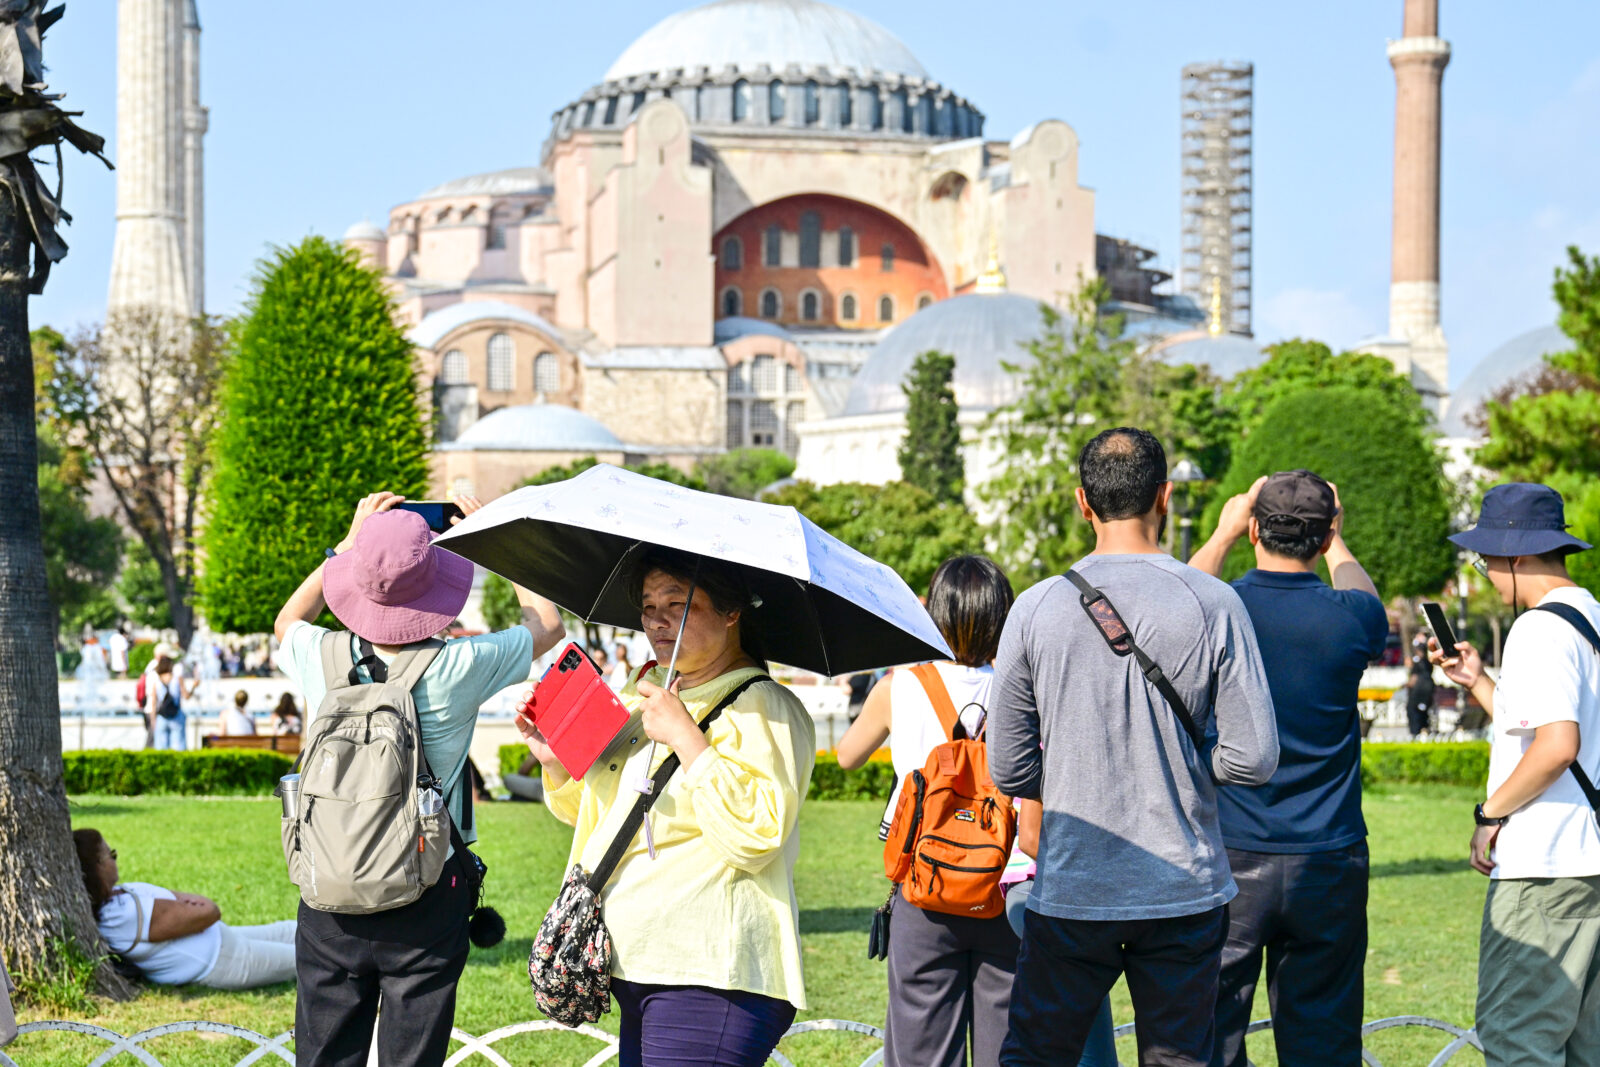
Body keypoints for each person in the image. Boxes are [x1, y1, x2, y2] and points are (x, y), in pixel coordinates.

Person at [988, 427, 1279, 1067]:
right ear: (1165, 498)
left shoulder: (1035, 608)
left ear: (1082, 503)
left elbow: (1007, 764)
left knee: (1038, 1055)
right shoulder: (1214, 602)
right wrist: (1196, 769)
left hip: (1073, 882)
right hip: (1185, 883)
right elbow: (1255, 756)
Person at [274, 491, 565, 1067]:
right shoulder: (458, 665)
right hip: (426, 883)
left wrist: (350, 545)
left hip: (328, 882)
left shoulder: (319, 655)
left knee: (324, 1055)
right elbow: (548, 624)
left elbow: (288, 620)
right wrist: (495, 539)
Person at [521, 547, 815, 1067]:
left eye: (678, 605)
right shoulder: (648, 698)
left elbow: (756, 835)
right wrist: (555, 761)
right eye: (649, 605)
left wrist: (688, 739)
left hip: (711, 971)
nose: (657, 621)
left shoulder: (765, 706)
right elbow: (596, 815)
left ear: (732, 612)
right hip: (638, 964)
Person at [1189, 470, 1388, 1067]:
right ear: (1325, 535)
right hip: (1328, 858)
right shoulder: (1352, 617)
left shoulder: (1221, 607)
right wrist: (1340, 540)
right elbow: (1367, 599)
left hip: (1230, 850)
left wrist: (1222, 535)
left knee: (1210, 1032)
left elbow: (1171, 596)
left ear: (1254, 528)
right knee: (1324, 1039)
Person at [835, 555, 1068, 1067]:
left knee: (921, 1052)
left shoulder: (900, 686)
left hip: (925, 887)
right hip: (1005, 889)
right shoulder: (1025, 688)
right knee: (1005, 1050)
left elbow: (848, 756)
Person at [1427, 483, 1600, 1067]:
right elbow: (1546, 732)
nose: (1487, 573)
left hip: (1547, 866)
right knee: (1585, 1045)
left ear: (1518, 556)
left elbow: (1555, 746)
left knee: (1518, 1040)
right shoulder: (1592, 619)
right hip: (1592, 861)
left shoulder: (1538, 628)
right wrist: (1477, 681)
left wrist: (1489, 814)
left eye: (1486, 559)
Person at [73, 828, 297, 989]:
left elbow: (187, 906)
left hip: (222, 938)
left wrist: (183, 904)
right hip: (222, 961)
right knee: (304, 959)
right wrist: (186, 905)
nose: (115, 859)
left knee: (292, 930)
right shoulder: (119, 918)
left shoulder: (122, 893)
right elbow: (207, 912)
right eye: (110, 854)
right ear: (98, 868)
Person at [144, 643, 192, 750]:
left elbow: (153, 699)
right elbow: (186, 695)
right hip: (175, 714)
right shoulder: (175, 677)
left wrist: (153, 719)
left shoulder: (154, 674)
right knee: (178, 747)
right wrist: (193, 688)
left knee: (160, 748)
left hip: (160, 714)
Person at [1407, 633, 1437, 737]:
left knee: (1415, 711)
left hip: (1421, 689)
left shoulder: (1421, 661)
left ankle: (1417, 733)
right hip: (1426, 688)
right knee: (1421, 712)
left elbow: (1414, 678)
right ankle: (1422, 731)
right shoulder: (1424, 661)